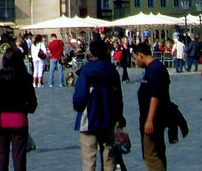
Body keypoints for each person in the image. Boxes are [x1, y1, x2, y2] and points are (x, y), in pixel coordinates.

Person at [73, 37, 125, 171]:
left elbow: (80, 96)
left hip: (89, 118)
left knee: (89, 159)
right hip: (108, 117)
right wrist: (119, 116)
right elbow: (118, 97)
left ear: (91, 54)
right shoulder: (112, 71)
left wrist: (77, 107)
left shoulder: (86, 71)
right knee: (109, 157)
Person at [0, 45, 37, 171]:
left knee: (2, 159)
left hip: (0, 121)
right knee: (19, 159)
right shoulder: (26, 77)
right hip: (19, 120)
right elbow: (32, 103)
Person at [132, 42, 171, 171]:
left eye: (135, 58)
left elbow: (155, 95)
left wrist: (149, 120)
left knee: (151, 156)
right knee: (157, 153)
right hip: (154, 118)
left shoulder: (155, 69)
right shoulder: (152, 68)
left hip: (154, 119)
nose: (135, 61)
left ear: (140, 55)